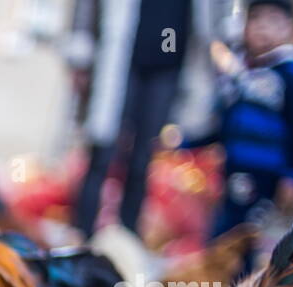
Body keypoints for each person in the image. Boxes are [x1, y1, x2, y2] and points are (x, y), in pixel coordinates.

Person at [66, 0, 229, 238]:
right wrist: (82, 56)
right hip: (122, 58)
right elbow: (87, 9)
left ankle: (124, 241)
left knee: (143, 160)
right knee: (102, 152)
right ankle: (81, 233)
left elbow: (216, 18)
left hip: (167, 64)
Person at [194, 0, 293, 257]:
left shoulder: (292, 77)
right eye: (256, 19)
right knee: (225, 228)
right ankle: (219, 283)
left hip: (264, 173)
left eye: (273, 21)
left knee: (242, 235)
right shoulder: (243, 77)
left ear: (290, 30)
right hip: (234, 167)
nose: (263, 28)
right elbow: (224, 126)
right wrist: (187, 143)